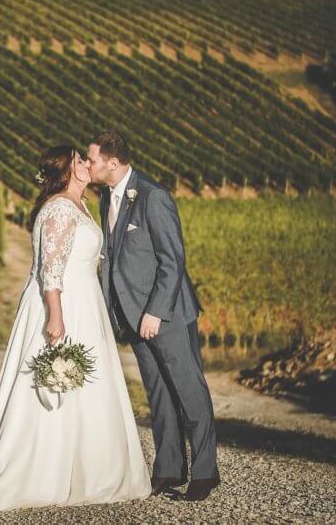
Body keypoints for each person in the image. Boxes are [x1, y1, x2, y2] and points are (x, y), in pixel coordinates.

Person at [0, 145, 151, 512]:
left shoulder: (79, 204)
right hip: (65, 302)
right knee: (57, 383)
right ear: (67, 169)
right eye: (80, 160)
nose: (87, 165)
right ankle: (46, 470)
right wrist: (56, 317)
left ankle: (88, 467)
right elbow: (50, 271)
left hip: (87, 303)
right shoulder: (58, 208)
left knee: (85, 386)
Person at [87, 129, 220, 502]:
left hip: (167, 314)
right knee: (159, 395)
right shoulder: (106, 197)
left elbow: (172, 260)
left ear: (112, 163)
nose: (88, 164)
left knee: (189, 390)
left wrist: (156, 313)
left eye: (92, 159)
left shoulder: (152, 195)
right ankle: (170, 469)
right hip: (132, 316)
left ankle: (206, 472)